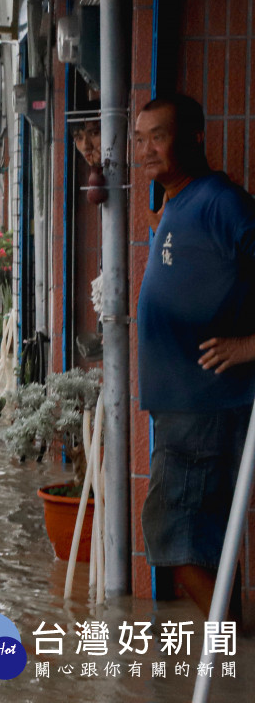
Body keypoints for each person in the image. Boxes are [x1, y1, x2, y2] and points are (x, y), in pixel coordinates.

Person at [135, 93, 255, 621]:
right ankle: (227, 657)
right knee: (204, 542)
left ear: (194, 138)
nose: (146, 151)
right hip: (185, 410)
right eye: (140, 139)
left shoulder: (220, 201)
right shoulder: (178, 200)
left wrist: (248, 347)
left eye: (157, 136)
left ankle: (226, 655)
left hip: (203, 409)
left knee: (171, 538)